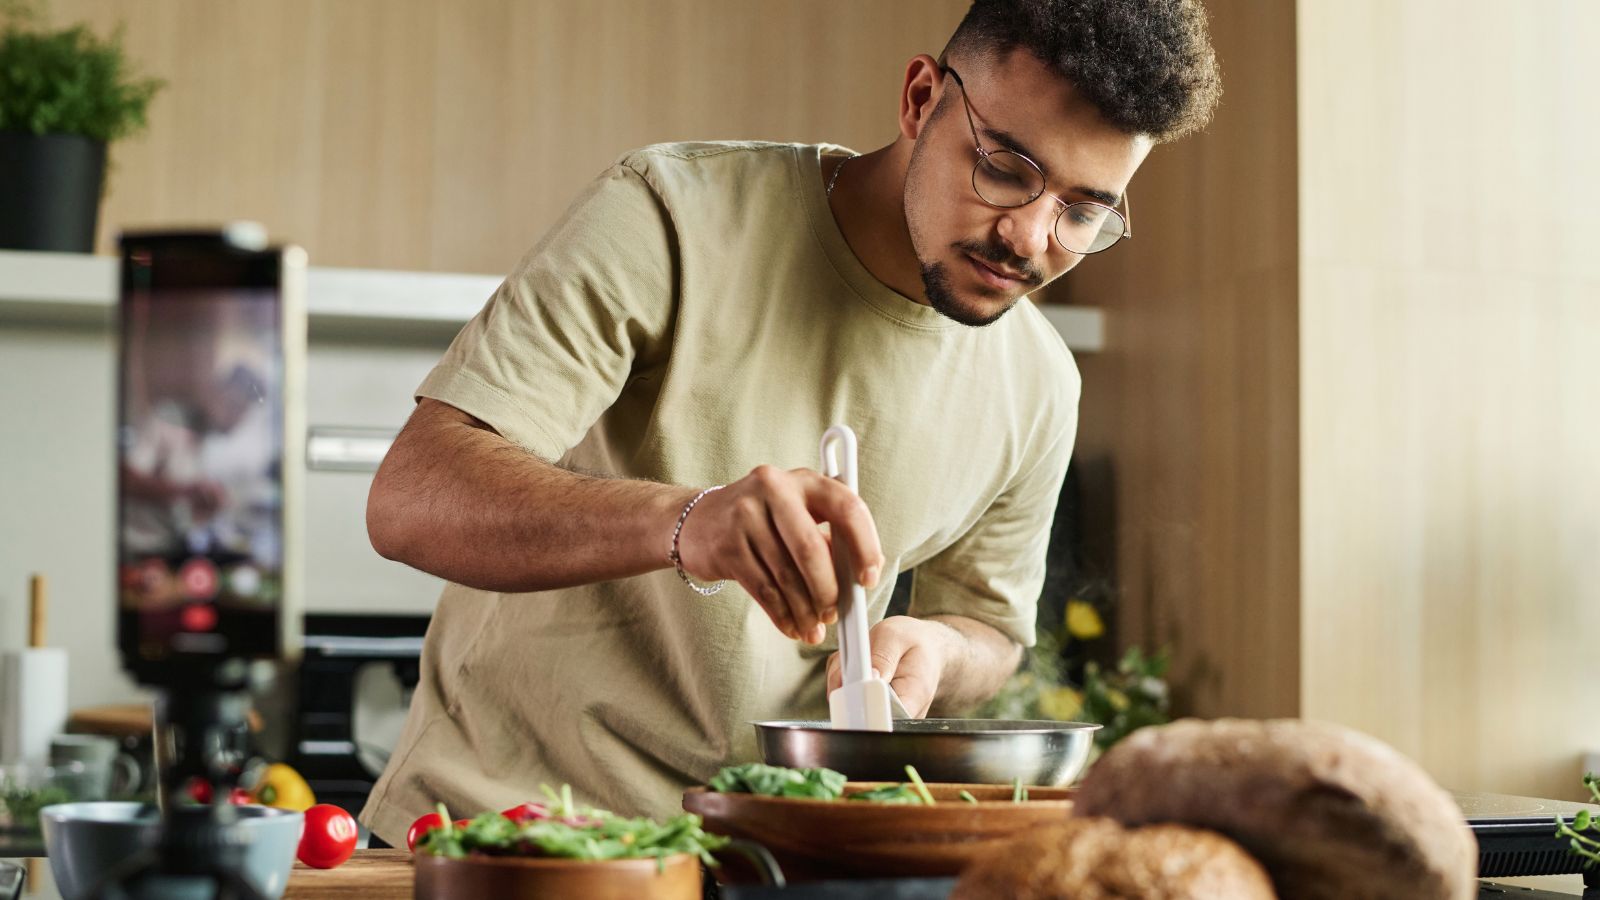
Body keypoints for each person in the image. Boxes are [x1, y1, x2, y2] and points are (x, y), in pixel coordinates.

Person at [360, 0, 1221, 839]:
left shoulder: (1039, 381)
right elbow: (411, 498)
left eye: (1083, 212)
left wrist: (935, 650)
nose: (1031, 238)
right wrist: (688, 523)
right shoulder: (673, 214)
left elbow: (989, 631)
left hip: (772, 860)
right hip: (500, 837)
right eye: (1004, 168)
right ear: (921, 98)